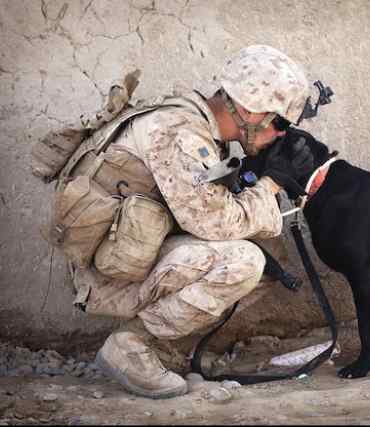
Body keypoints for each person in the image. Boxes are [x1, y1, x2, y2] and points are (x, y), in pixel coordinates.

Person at [76, 45, 316, 399]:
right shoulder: (180, 134)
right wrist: (271, 184)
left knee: (270, 259)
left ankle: (160, 347)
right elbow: (215, 223)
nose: (281, 134)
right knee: (246, 262)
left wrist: (254, 178)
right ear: (249, 110)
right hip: (109, 275)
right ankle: (131, 346)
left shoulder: (195, 124)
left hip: (131, 252)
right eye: (279, 123)